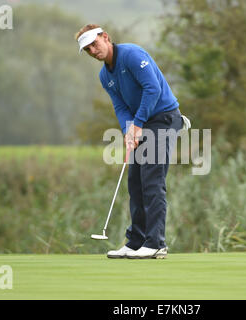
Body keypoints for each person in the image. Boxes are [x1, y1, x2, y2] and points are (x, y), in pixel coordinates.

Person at [75, 24, 184, 259]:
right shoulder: (105, 75)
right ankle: (135, 242)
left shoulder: (132, 55)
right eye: (88, 50)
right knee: (135, 182)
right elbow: (120, 106)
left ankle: (156, 243)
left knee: (152, 181)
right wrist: (128, 129)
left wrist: (138, 122)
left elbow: (152, 88)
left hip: (163, 118)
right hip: (141, 123)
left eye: (95, 44)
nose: (93, 51)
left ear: (106, 37)